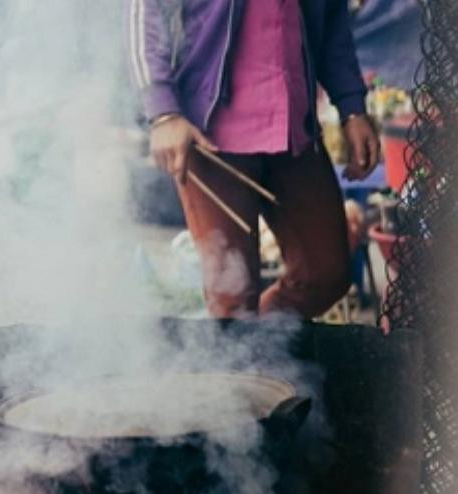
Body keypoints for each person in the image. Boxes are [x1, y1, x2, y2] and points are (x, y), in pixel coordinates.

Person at [127, 0, 381, 318]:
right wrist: (163, 113)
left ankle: (258, 346)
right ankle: (245, 357)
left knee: (326, 275)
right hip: (209, 136)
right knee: (232, 298)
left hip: (294, 130)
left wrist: (352, 106)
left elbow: (332, 21)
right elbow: (146, 13)